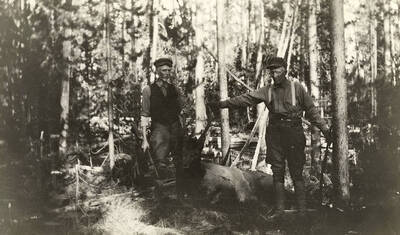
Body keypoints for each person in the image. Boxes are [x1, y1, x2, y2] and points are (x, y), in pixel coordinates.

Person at [208, 57, 331, 219]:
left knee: (296, 172)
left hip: (294, 134)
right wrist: (221, 104)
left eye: (278, 70)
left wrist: (325, 130)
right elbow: (245, 99)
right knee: (277, 172)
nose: (275, 74)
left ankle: (302, 211)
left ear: (285, 70)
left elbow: (312, 111)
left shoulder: (297, 88)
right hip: (275, 135)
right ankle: (280, 210)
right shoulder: (267, 90)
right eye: (272, 71)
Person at [141, 57, 184, 197]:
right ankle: (161, 197)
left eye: (169, 70)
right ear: (158, 71)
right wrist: (144, 139)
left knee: (180, 160)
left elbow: (180, 111)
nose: (167, 73)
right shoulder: (148, 90)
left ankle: (180, 193)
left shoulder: (175, 89)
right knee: (160, 163)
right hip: (159, 128)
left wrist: (182, 130)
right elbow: (145, 115)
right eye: (164, 70)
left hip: (175, 127)